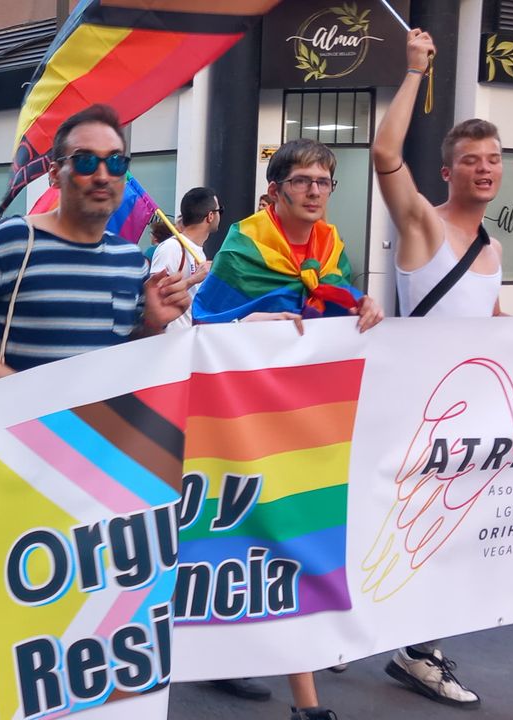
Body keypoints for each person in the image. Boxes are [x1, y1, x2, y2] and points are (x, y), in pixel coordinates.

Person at [370, 28, 513, 710]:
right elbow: (383, 152)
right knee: (413, 537)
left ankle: (406, 643)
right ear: (446, 173)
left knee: (437, 541)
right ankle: (411, 651)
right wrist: (412, 71)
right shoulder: (423, 226)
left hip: (465, 421)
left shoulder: (489, 245)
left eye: (493, 160)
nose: (484, 169)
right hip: (412, 413)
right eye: (470, 160)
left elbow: (483, 321)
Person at [192, 138, 384, 720]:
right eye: (301, 181)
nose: (314, 192)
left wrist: (364, 305)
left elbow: (338, 305)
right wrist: (251, 319)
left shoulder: (332, 249)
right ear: (275, 190)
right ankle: (306, 701)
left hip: (311, 415)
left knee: (285, 537)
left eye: (323, 182)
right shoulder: (242, 248)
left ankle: (229, 651)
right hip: (244, 415)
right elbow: (203, 321)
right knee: (276, 536)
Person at [0, 104, 190, 383]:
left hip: (93, 426)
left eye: (116, 162)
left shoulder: (130, 260)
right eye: (85, 161)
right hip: (8, 424)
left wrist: (153, 324)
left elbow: (123, 352)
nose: (102, 175)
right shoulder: (11, 241)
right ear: (55, 174)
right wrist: (19, 391)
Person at [150, 187, 219, 330]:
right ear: (210, 216)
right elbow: (155, 296)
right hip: (170, 341)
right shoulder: (172, 247)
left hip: (189, 338)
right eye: (220, 211)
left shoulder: (198, 252)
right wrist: (194, 279)